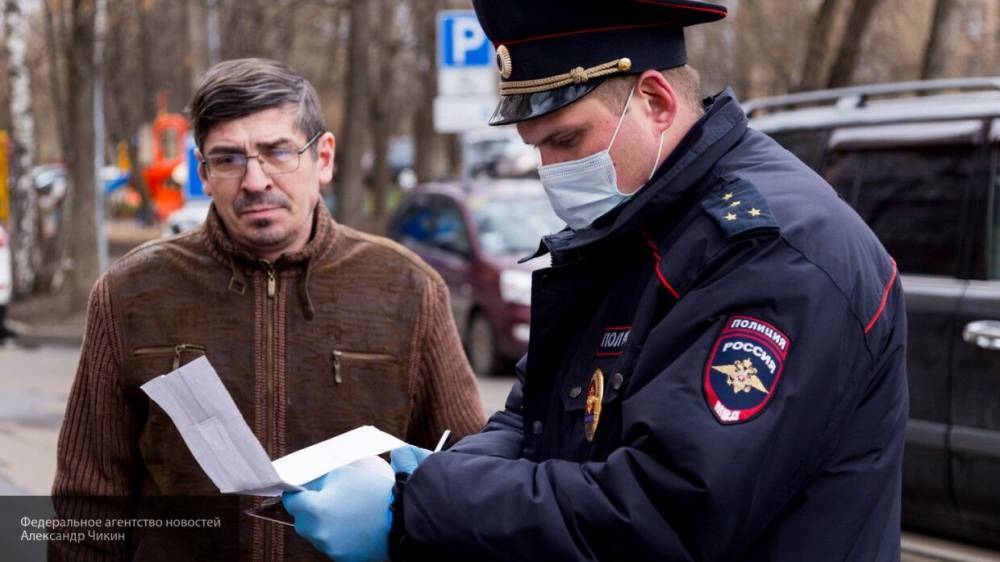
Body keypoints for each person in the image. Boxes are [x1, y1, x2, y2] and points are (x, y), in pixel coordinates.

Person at [281, 1, 909, 561]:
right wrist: (420, 479)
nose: (550, 170)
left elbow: (665, 512)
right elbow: (536, 423)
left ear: (657, 101)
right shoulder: (636, 226)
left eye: (566, 138)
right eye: (537, 147)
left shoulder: (776, 253)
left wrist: (417, 509)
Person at [51, 58, 485, 561]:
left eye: (277, 152)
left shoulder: (407, 289)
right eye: (229, 159)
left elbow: (464, 480)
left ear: (322, 158)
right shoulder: (131, 293)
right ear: (203, 174)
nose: (254, 180)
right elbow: (86, 505)